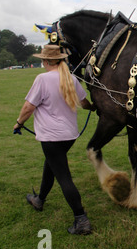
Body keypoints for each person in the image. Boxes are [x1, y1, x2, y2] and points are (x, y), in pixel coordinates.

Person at [14, 45, 95, 235]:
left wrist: (18, 123)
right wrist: (93, 108)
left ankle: (81, 219)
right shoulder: (71, 78)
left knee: (63, 176)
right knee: (50, 164)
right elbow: (84, 103)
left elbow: (28, 107)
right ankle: (39, 199)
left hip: (52, 137)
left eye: (43, 60)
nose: (42, 63)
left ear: (49, 61)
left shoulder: (42, 79)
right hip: (69, 136)